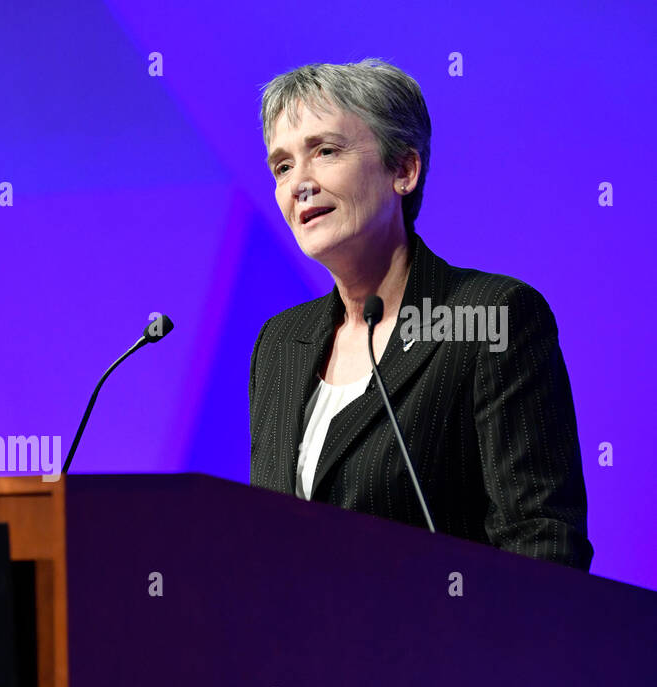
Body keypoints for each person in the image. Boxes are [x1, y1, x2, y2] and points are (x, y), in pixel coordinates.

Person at [249, 58, 592, 569]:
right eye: (282, 165)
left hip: (450, 644)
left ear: (403, 170)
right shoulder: (280, 342)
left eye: (325, 151)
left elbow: (541, 541)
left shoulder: (489, 317)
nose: (299, 181)